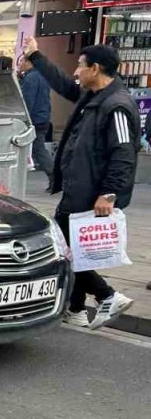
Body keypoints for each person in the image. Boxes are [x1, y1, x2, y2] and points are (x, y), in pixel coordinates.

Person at [24, 37, 136, 329]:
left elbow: (124, 153)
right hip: (80, 188)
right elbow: (63, 84)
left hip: (91, 193)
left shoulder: (116, 105)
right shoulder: (92, 97)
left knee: (64, 249)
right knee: (75, 249)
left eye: (80, 66)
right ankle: (74, 309)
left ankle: (107, 295)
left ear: (95, 69)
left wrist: (109, 194)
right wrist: (36, 56)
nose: (76, 71)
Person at [18, 55, 54, 184]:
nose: (20, 63)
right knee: (37, 148)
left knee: (38, 149)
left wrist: (24, 120)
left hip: (35, 119)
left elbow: (28, 101)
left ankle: (55, 176)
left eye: (22, 60)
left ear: (29, 62)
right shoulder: (41, 75)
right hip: (42, 117)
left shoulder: (31, 78)